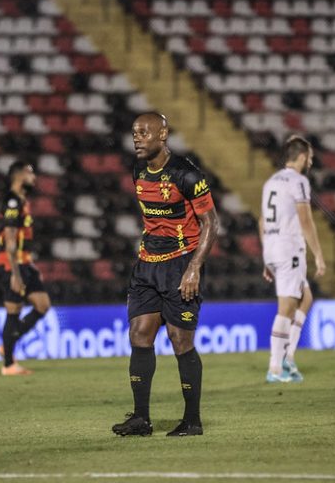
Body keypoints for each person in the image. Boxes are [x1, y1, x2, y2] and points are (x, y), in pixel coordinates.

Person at [111, 112, 219, 438]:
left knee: (179, 340)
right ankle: (141, 419)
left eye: (144, 131)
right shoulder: (138, 171)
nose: (137, 137)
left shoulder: (186, 175)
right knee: (139, 334)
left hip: (179, 266)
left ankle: (192, 421)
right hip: (147, 265)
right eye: (134, 132)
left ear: (163, 134)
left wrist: (194, 268)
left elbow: (211, 223)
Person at [259, 135, 326, 383]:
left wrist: (267, 256)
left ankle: (287, 358)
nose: (311, 161)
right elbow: (306, 220)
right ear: (301, 157)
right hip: (289, 248)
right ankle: (276, 368)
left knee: (305, 298)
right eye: (309, 156)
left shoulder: (271, 182)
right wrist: (318, 254)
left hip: (273, 246)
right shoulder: (298, 181)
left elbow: (261, 222)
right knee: (287, 307)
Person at [0, 161, 52, 376]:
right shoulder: (12, 201)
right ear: (19, 176)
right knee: (14, 310)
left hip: (24, 262)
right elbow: (10, 241)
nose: (34, 176)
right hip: (11, 264)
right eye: (30, 172)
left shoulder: (21, 200)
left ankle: (9, 342)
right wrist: (15, 273)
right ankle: (9, 364)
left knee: (42, 304)